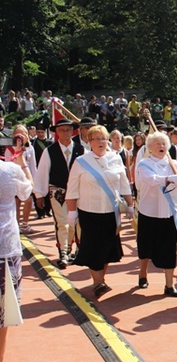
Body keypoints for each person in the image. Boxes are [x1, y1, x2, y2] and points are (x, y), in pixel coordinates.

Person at [65, 126, 134, 298]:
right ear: (89, 141)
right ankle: (97, 282)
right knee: (94, 247)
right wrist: (72, 212)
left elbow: (124, 184)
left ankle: (100, 280)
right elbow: (72, 189)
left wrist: (130, 205)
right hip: (89, 212)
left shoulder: (115, 159)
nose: (100, 142)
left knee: (107, 248)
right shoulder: (81, 162)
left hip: (111, 212)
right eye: (96, 138)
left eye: (103, 138)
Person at [135, 132, 177, 296]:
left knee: (169, 248)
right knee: (146, 246)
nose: (161, 147)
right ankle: (143, 273)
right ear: (150, 148)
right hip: (149, 211)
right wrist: (171, 178)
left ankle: (169, 285)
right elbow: (151, 179)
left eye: (164, 144)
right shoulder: (144, 164)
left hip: (169, 213)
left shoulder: (173, 164)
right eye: (157, 144)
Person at [0, 147, 33, 362]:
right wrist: (21, 163)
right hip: (5, 249)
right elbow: (27, 190)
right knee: (2, 319)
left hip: (6, 248)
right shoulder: (9, 170)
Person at [33, 119, 85, 268]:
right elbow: (42, 173)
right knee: (63, 223)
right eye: (62, 130)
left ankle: (78, 250)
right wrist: (39, 194)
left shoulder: (81, 150)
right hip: (58, 192)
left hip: (78, 192)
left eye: (68, 130)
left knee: (78, 223)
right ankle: (63, 251)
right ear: (56, 132)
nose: (65, 133)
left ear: (73, 131)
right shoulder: (49, 151)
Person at [5, 125, 38, 235]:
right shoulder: (9, 148)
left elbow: (33, 165)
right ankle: (16, 224)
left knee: (28, 200)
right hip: (14, 178)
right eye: (17, 134)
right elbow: (7, 164)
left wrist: (35, 180)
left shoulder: (30, 148)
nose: (20, 137)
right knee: (17, 202)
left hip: (26, 176)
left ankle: (25, 223)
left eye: (22, 134)